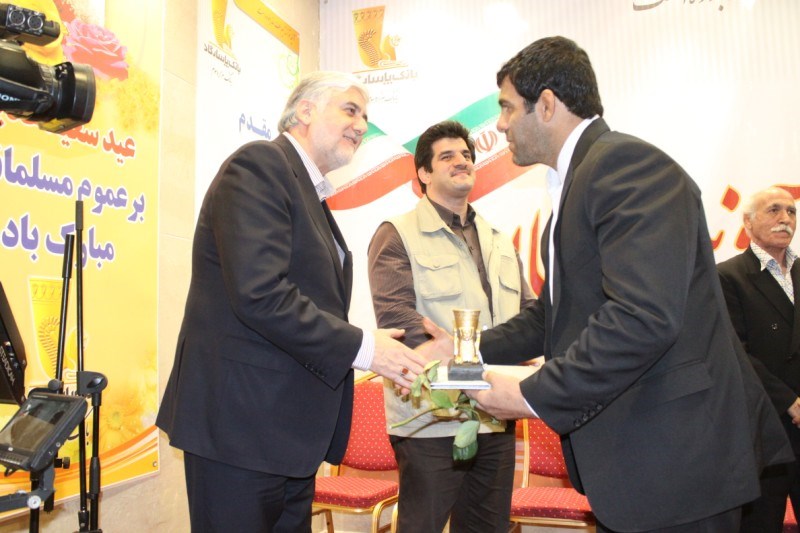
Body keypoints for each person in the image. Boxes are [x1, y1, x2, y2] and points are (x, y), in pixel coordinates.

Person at [423, 36, 795, 532]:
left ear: (547, 104)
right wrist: (464, 348)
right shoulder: (581, 179)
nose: (501, 124)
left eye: (508, 107)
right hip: (643, 462)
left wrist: (530, 395)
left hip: (678, 461)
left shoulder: (625, 167)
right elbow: (552, 316)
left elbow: (642, 318)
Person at [155, 71, 427, 533]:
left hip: (285, 438)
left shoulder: (309, 192)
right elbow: (261, 294)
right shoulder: (260, 165)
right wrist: (365, 348)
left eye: (365, 116)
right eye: (350, 110)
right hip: (240, 431)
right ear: (305, 110)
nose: (362, 125)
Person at [368, 120, 536, 533]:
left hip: (495, 416)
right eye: (447, 156)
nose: (461, 161)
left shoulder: (499, 240)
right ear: (423, 174)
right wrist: (466, 367)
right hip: (430, 421)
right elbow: (399, 323)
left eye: (466, 155)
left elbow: (530, 316)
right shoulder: (397, 234)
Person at [718, 186, 800, 532]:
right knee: (761, 523)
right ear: (748, 222)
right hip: (765, 425)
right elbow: (734, 352)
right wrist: (790, 402)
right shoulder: (727, 276)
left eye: (791, 211)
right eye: (774, 210)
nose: (785, 219)